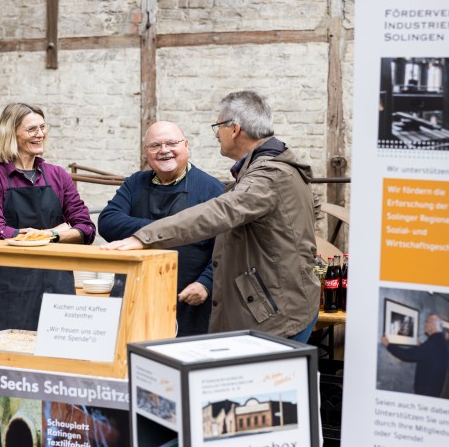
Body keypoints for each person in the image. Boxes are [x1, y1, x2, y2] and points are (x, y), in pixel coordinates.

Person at [102, 91, 320, 342]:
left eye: (218, 127)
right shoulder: (263, 169)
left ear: (234, 129)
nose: (216, 134)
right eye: (155, 145)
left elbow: (220, 212)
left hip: (279, 311)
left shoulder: (269, 175)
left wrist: (145, 237)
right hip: (276, 303)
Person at [0, 102, 96, 333]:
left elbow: (86, 228)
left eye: (42, 127)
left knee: (58, 354)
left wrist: (48, 235)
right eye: (32, 129)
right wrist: (30, 236)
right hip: (11, 282)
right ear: (11, 133)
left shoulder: (57, 175)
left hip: (57, 279)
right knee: (6, 353)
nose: (40, 134)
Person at [98, 121, 224, 337]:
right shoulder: (135, 182)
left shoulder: (211, 188)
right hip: (136, 293)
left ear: (185, 145)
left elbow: (225, 246)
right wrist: (168, 230)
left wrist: (206, 283)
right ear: (146, 151)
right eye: (155, 145)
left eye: (171, 143)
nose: (164, 151)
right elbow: (108, 222)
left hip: (188, 297)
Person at [381, 314, 449, 397]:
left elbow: (407, 355)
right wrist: (420, 347)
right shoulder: (442, 342)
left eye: (427, 322)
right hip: (436, 389)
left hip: (426, 391)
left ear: (433, 325)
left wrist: (388, 345)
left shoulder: (432, 343)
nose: (424, 324)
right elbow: (431, 356)